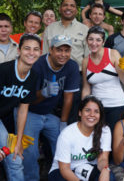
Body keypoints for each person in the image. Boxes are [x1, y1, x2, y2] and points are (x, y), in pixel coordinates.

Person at [20, 35, 80, 181]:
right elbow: (26, 100)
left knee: (63, 145)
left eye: (67, 50)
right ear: (51, 50)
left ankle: (61, 177)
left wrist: (63, 123)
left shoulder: (71, 66)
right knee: (30, 152)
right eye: (59, 50)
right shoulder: (37, 65)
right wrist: (43, 93)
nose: (63, 54)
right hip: (30, 112)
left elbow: (68, 97)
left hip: (51, 114)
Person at [0, 34, 41, 181]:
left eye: (36, 49)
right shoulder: (4, 70)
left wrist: (18, 143)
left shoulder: (33, 76)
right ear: (19, 50)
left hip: (5, 118)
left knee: (15, 157)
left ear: (40, 53)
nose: (31, 52)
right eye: (27, 48)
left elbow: (23, 110)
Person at [48, 95, 114, 181]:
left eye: (96, 111)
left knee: (110, 177)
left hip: (87, 167)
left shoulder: (104, 130)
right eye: (87, 110)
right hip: (64, 170)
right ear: (80, 113)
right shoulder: (67, 134)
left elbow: (103, 159)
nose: (92, 115)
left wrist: (105, 169)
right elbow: (64, 169)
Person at [82, 26, 124, 132]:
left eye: (98, 40)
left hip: (116, 105)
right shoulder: (86, 61)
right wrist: (83, 107)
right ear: (87, 40)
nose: (94, 43)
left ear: (103, 42)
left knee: (114, 139)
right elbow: (86, 87)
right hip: (96, 108)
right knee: (97, 138)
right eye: (91, 39)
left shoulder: (113, 54)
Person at [43, 0, 89, 71]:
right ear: (60, 9)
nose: (68, 8)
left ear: (76, 11)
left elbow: (88, 58)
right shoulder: (50, 29)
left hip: (77, 75)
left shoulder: (85, 30)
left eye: (72, 6)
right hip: (52, 75)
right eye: (65, 5)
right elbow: (44, 55)